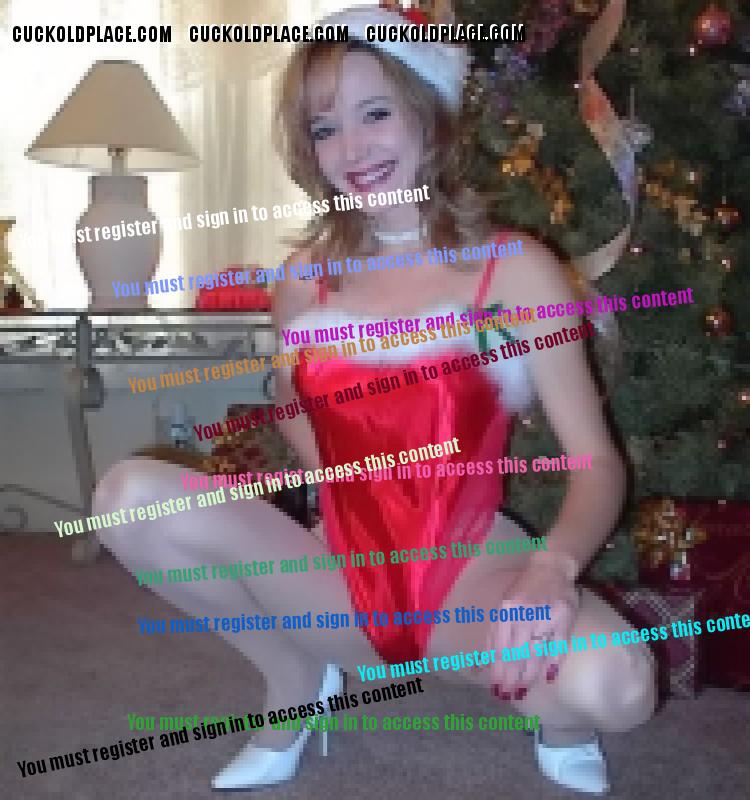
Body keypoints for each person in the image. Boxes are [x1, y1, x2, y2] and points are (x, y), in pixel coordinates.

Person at [93, 4, 655, 794]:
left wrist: (551, 571)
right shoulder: (304, 281)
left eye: (376, 113)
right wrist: (334, 495)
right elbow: (292, 399)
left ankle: (559, 724)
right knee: (126, 497)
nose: (352, 149)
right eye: (325, 128)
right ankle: (295, 683)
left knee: (618, 686)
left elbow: (597, 463)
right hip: (342, 572)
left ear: (428, 116)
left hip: (468, 572)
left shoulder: (512, 270)